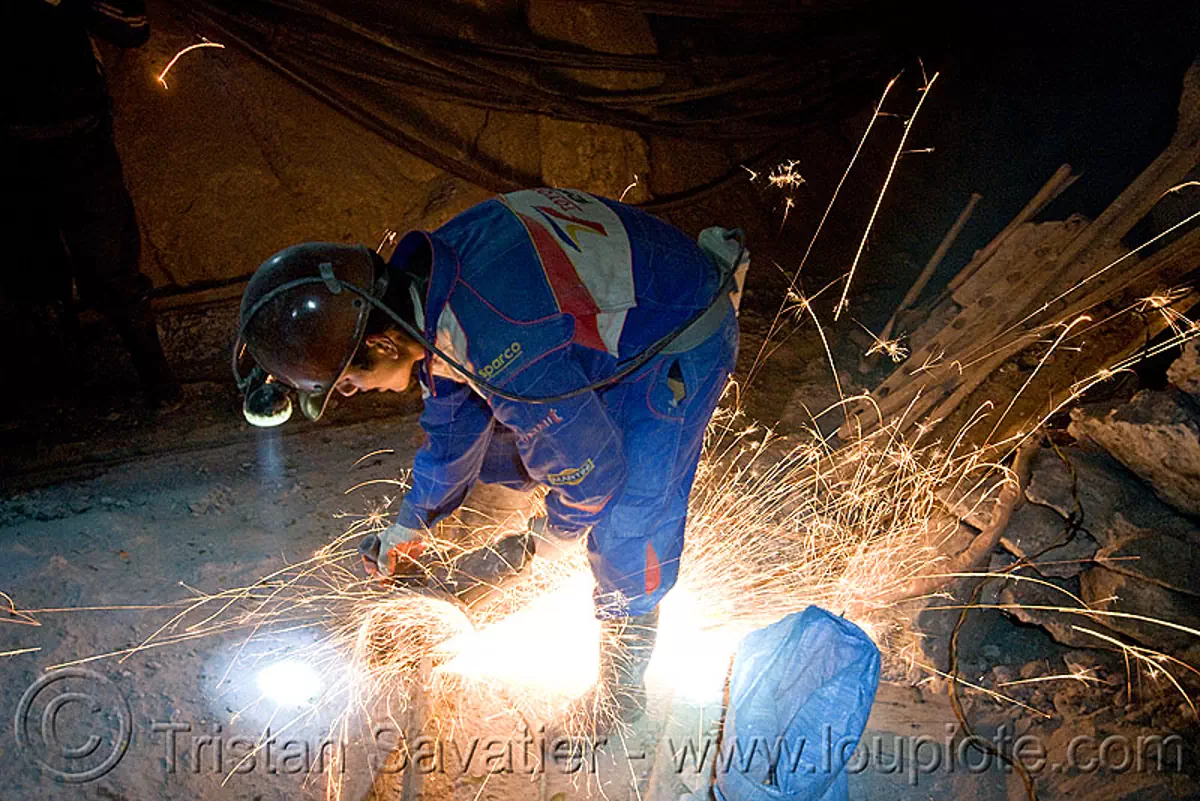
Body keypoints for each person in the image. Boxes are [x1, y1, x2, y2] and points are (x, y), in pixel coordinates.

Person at [235, 187, 743, 720]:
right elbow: (452, 425)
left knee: (625, 520)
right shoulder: (427, 299)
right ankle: (542, 531)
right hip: (611, 322)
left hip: (676, 335)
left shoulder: (498, 338)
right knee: (508, 446)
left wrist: (544, 545)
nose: (355, 392)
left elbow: (594, 476)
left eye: (348, 384)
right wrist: (413, 523)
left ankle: (620, 695)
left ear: (383, 345)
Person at [1, 0, 180, 408]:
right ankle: (62, 386)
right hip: (9, 150)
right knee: (31, 275)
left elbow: (133, 28)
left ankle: (153, 373)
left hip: (81, 142)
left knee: (110, 264)